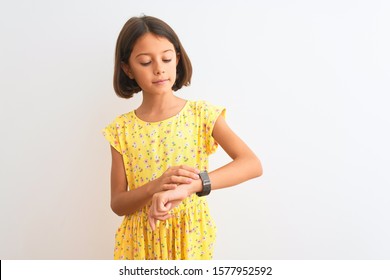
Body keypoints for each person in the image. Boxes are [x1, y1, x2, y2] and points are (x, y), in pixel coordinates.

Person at [102, 15, 262, 260]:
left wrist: (192, 186)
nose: (159, 68)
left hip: (189, 238)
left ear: (177, 59)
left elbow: (251, 164)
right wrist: (155, 186)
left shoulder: (202, 114)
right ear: (127, 69)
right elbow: (118, 203)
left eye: (166, 58)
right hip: (139, 245)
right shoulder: (121, 129)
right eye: (145, 62)